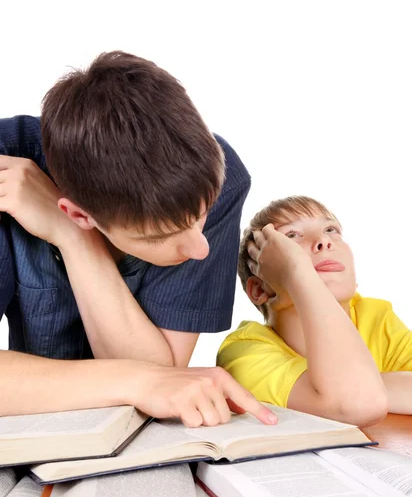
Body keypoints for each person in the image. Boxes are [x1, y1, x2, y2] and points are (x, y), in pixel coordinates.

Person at [0, 51, 277, 428]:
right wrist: (136, 381)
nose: (202, 249)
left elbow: (164, 374)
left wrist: (75, 241)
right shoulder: (6, 176)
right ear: (80, 214)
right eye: (162, 235)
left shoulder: (218, 178)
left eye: (203, 215)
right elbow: (153, 379)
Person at [218, 195, 412, 427]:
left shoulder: (375, 316)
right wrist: (298, 272)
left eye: (331, 229)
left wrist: (334, 390)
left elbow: (353, 395)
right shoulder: (244, 351)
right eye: (291, 236)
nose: (323, 241)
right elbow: (357, 402)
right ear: (259, 289)